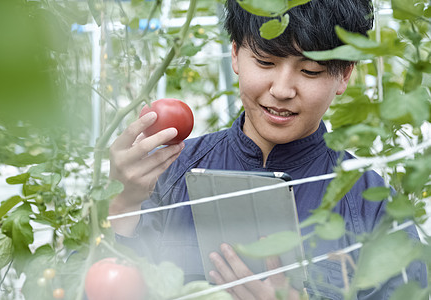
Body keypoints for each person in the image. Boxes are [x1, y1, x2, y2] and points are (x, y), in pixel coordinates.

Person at [108, 0, 427, 298]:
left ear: (344, 74)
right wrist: (122, 205)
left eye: (310, 71)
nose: (282, 90)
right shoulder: (167, 173)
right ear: (234, 53)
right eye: (265, 61)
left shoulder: (374, 208)